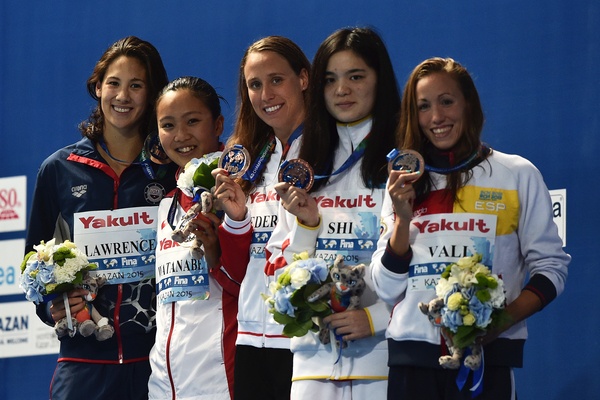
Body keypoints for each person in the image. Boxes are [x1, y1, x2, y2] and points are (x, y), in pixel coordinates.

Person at [369, 57, 571, 399]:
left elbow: (551, 267)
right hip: (411, 365)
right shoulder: (402, 183)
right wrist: (402, 220)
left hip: (487, 364)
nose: (436, 117)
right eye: (423, 106)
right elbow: (386, 288)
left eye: (447, 101)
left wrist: (499, 323)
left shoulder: (516, 174)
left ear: (469, 105)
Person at [25, 36, 177, 400]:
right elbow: (34, 264)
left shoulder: (172, 169)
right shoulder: (60, 169)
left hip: (160, 363)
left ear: (153, 92)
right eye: (114, 83)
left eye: (136, 85)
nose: (123, 96)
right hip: (83, 364)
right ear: (97, 87)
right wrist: (53, 305)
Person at [264, 27, 401, 400]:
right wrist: (307, 227)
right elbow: (278, 273)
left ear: (380, 80)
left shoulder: (403, 162)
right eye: (330, 79)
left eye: (356, 76)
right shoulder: (303, 165)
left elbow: (422, 268)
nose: (342, 90)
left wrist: (375, 320)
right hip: (311, 366)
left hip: (383, 362)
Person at [211, 36, 310, 400]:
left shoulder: (329, 154)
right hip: (252, 335)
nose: (265, 94)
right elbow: (238, 274)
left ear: (303, 79)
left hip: (305, 336)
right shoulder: (252, 161)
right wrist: (236, 220)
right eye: (254, 84)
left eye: (276, 80)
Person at [148, 76, 245, 399]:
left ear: (218, 124)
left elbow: (247, 284)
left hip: (221, 379)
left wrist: (218, 249)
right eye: (168, 125)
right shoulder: (166, 207)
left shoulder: (239, 195)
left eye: (192, 121)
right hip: (164, 384)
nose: (181, 136)